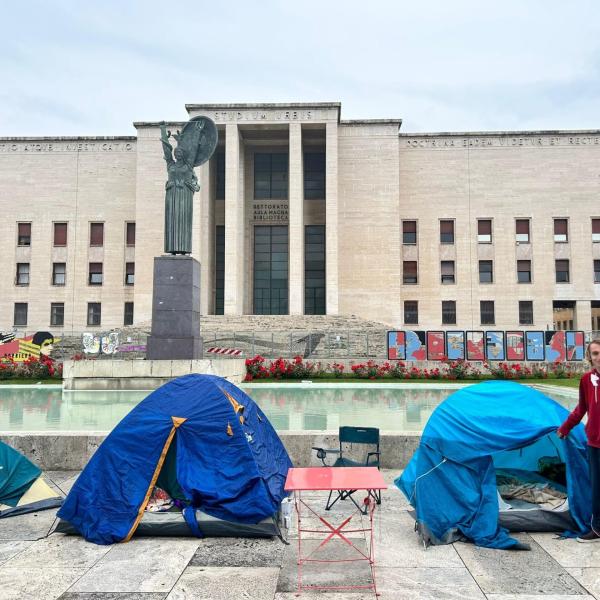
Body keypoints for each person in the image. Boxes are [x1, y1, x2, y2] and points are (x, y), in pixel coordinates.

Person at [557, 338, 600, 542]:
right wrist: (565, 427)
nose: (599, 357)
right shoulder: (586, 380)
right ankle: (598, 528)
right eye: (595, 354)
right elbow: (581, 408)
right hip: (594, 442)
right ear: (590, 358)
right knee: (597, 487)